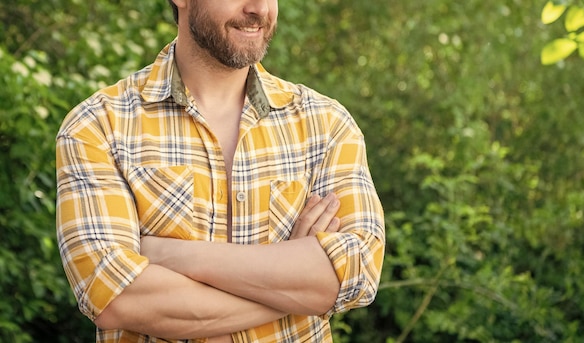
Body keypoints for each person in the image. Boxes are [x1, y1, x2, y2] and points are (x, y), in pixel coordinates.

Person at [55, 0, 385, 342]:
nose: (259, 8)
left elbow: (355, 273)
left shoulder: (326, 124)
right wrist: (297, 290)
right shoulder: (98, 126)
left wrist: (176, 255)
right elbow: (115, 297)